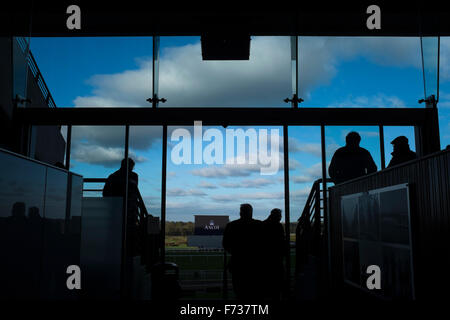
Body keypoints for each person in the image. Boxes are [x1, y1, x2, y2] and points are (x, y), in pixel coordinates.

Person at [222, 204, 264, 300]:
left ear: (240, 212)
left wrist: (237, 253)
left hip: (237, 264)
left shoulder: (231, 225)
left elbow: (226, 244)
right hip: (255, 264)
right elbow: (265, 244)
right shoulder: (259, 225)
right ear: (251, 212)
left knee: (239, 291)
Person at [103, 158, 141, 257]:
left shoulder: (113, 177)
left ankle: (115, 254)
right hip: (126, 210)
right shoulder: (133, 176)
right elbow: (135, 192)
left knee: (118, 234)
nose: (132, 168)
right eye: (131, 166)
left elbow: (105, 193)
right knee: (126, 234)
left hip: (121, 210)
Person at [262, 208, 285, 300]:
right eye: (279, 216)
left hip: (265, 259)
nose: (280, 218)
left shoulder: (263, 224)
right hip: (276, 259)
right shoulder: (278, 226)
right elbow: (281, 242)